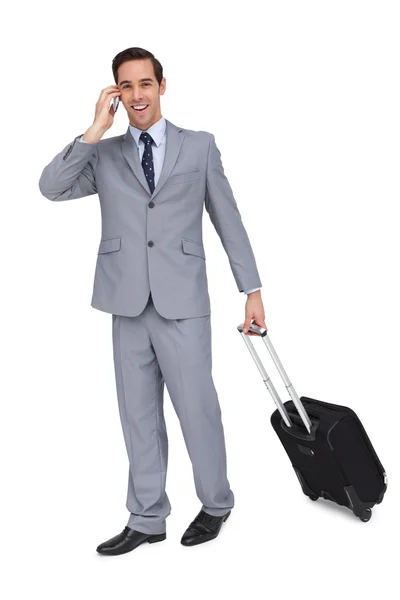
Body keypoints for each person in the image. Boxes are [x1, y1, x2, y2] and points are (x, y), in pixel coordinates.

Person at [39, 46, 267, 555]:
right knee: (137, 415)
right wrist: (92, 130)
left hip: (183, 301)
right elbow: (50, 188)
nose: (137, 95)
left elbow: (227, 218)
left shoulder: (200, 146)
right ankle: (146, 517)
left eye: (145, 84)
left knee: (197, 410)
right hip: (126, 302)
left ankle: (215, 505)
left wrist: (250, 289)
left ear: (162, 86)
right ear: (116, 93)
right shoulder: (102, 153)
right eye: (126, 86)